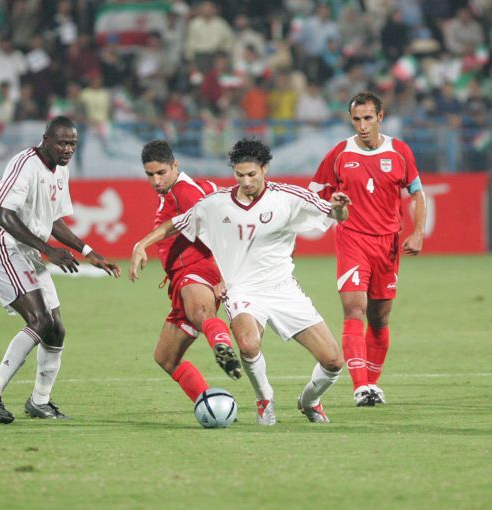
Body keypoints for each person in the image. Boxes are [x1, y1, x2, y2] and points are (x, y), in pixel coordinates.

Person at [131, 138, 350, 425]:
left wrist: (340, 207)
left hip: (283, 288)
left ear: (265, 169)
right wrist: (142, 244)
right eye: (239, 175)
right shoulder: (216, 204)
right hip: (242, 290)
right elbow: (177, 224)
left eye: (251, 174)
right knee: (247, 345)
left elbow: (335, 214)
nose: (245, 182)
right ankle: (265, 400)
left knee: (333, 361)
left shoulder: (288, 197)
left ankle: (309, 401)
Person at [0, 116, 121, 424]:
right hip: (2, 244)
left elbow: (53, 221)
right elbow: (4, 216)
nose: (68, 149)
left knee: (55, 328)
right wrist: (48, 250)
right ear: (46, 139)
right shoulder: (25, 164)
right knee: (40, 320)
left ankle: (39, 401)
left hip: (27, 249)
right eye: (62, 143)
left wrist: (89, 252)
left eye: (73, 144)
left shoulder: (60, 171)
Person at [309, 91, 426, 407]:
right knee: (354, 309)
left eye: (368, 118)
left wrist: (418, 232)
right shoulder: (340, 154)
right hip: (352, 240)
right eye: (356, 119)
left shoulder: (399, 151)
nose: (362, 126)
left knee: (379, 317)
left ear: (380, 117)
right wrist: (333, 205)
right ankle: (361, 387)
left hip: (388, 244)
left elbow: (417, 192)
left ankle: (372, 385)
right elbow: (314, 193)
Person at [130, 140, 241, 407]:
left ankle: (223, 346)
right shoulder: (191, 188)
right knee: (165, 357)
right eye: (150, 174)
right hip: (182, 278)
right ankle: (210, 406)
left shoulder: (184, 192)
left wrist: (225, 276)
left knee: (201, 312)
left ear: (175, 165)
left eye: (161, 173)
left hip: (196, 270)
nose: (156, 181)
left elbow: (219, 230)